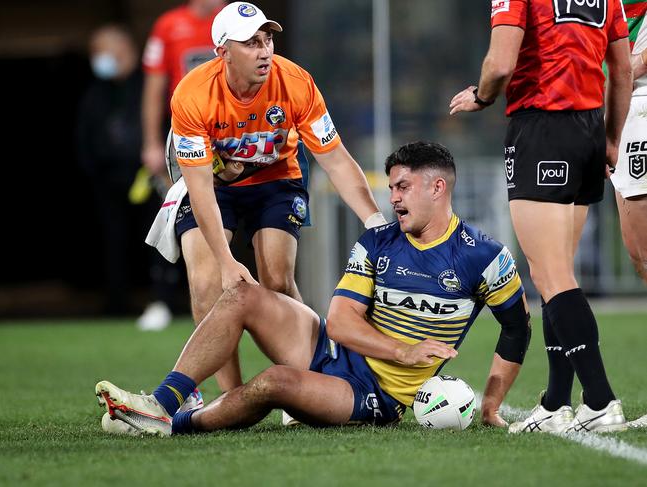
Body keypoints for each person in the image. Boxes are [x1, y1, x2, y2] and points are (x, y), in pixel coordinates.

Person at [96, 141, 531, 436]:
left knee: (273, 383)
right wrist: (402, 350)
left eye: (403, 187)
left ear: (438, 188)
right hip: (330, 346)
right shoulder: (379, 239)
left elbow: (517, 327)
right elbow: (340, 322)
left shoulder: (484, 257)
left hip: (370, 395)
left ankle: (178, 426)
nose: (393, 198)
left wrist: (491, 404)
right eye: (392, 188)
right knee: (243, 293)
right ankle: (161, 403)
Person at [147, 1, 388, 393]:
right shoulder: (191, 95)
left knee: (276, 279)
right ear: (222, 52)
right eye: (250, 43)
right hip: (216, 187)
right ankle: (232, 397)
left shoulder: (295, 82)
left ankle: (310, 385)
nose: (264, 50)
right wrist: (227, 262)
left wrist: (374, 220)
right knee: (209, 283)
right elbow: (201, 187)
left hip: (277, 178)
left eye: (268, 39)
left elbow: (337, 161)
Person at [450, 0, 632, 433]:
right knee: (558, 274)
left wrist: (481, 96)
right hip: (589, 126)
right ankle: (555, 403)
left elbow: (499, 63)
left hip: (543, 126)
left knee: (550, 275)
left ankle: (600, 401)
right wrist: (610, 138)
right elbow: (621, 71)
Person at [137, 0, 228, 331]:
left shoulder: (236, 19)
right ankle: (162, 299)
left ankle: (236, 296)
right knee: (174, 212)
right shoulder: (168, 25)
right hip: (186, 134)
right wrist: (150, 141)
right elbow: (154, 86)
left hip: (231, 133)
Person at [76, 25, 147, 315]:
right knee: (113, 241)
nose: (96, 58)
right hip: (108, 180)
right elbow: (84, 136)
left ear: (121, 49)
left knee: (155, 239)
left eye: (100, 51)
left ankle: (161, 300)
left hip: (145, 175)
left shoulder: (148, 84)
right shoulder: (96, 92)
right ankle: (117, 302)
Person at [613, 0, 647, 430]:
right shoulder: (610, 8)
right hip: (620, 114)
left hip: (641, 107)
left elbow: (632, 66)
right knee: (639, 257)